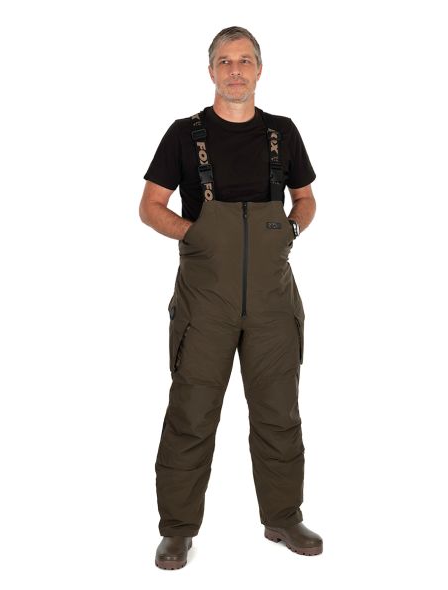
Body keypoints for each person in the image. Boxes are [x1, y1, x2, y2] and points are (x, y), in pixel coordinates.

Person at [139, 26, 322, 570]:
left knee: (279, 413)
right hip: (205, 302)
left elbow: (306, 198)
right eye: (225, 61)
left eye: (244, 60)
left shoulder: (283, 133)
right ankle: (177, 530)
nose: (235, 70)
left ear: (259, 70)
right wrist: (194, 233)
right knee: (191, 415)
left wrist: (291, 229)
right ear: (211, 71)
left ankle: (283, 517)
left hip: (273, 301)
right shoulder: (183, 134)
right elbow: (150, 206)